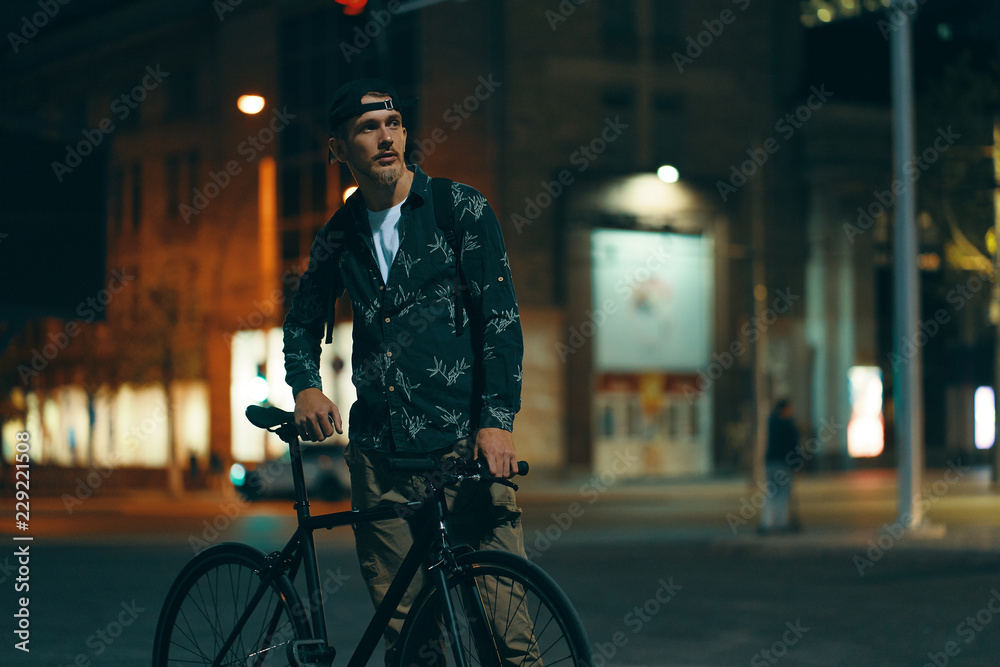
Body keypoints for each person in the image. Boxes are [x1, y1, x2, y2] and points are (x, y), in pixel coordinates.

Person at [282, 77, 529, 664]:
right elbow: (301, 321)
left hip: (461, 451)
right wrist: (307, 387)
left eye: (392, 123)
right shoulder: (338, 236)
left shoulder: (457, 209)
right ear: (340, 149)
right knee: (416, 642)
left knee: (509, 636)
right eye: (368, 129)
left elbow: (500, 319)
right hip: (380, 460)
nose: (386, 137)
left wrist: (497, 422)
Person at [760, 398, 800, 533]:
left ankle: (767, 522)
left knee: (771, 492)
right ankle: (781, 522)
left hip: (770, 462)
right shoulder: (788, 424)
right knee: (783, 493)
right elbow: (793, 446)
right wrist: (796, 463)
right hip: (783, 463)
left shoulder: (771, 422)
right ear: (785, 409)